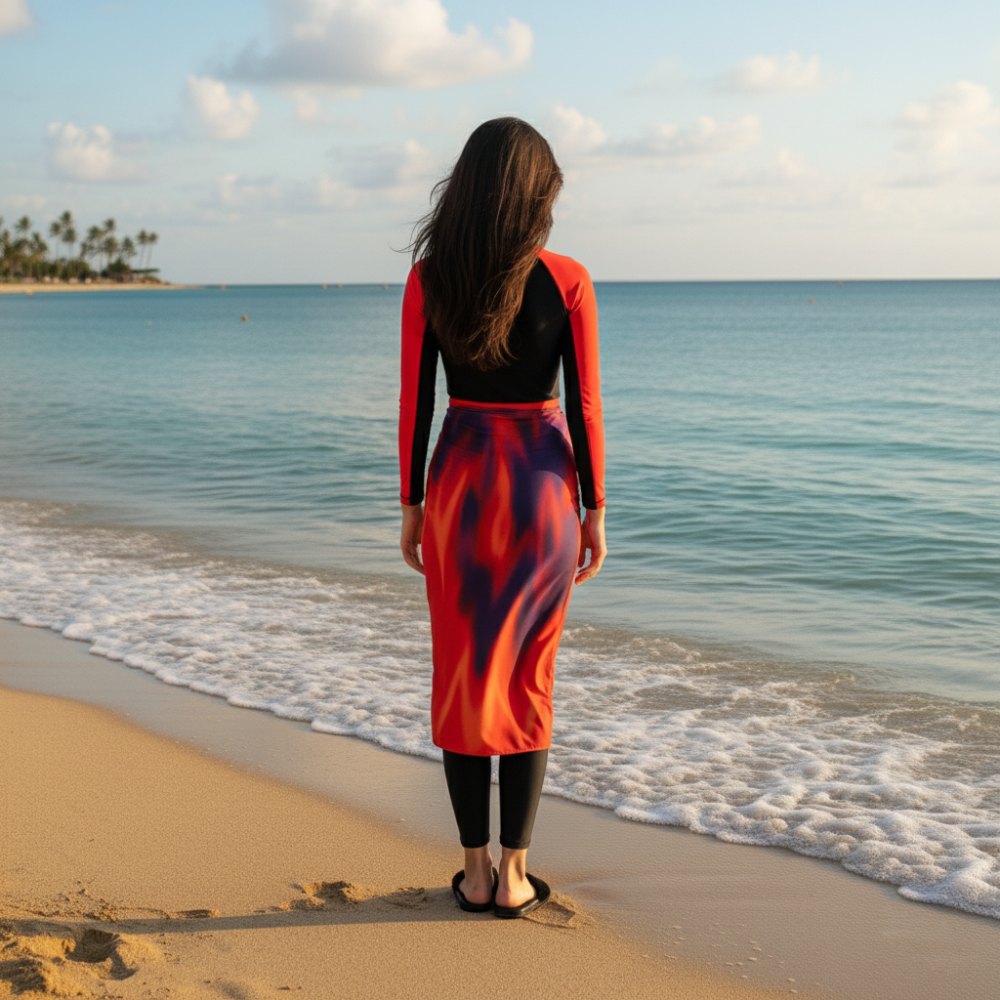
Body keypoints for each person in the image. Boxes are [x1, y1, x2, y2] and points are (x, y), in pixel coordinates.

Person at [397, 117, 606, 919]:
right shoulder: (571, 279)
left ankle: (474, 870)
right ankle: (518, 876)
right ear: (535, 196)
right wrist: (595, 510)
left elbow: (418, 400)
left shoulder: (430, 279)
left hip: (459, 485)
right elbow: (583, 407)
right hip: (544, 491)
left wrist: (412, 505)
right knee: (529, 678)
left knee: (462, 674)